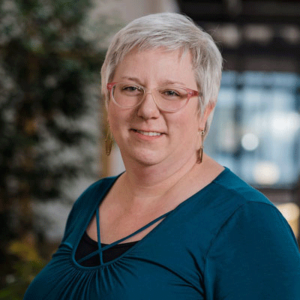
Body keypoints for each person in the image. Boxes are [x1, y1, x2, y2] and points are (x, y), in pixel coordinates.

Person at [24, 12, 300, 300]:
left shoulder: (249, 222)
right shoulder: (92, 200)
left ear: (205, 112)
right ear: (108, 101)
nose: (147, 110)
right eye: (131, 88)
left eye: (171, 92)